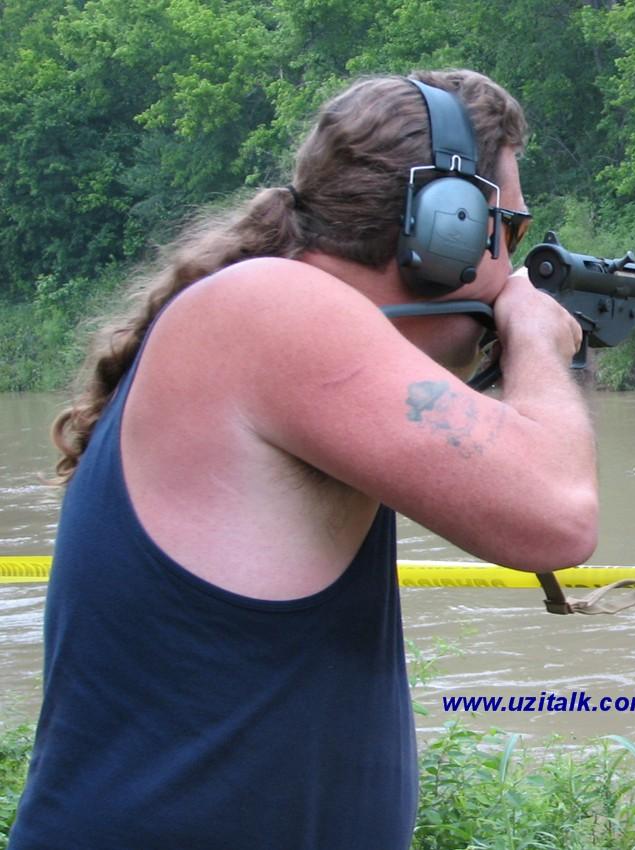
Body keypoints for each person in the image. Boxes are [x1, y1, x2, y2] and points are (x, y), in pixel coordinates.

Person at [9, 70, 598, 850]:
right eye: (510, 230)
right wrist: (536, 338)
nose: (513, 269)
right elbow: (554, 515)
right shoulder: (272, 309)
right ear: (448, 227)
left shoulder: (274, 318)